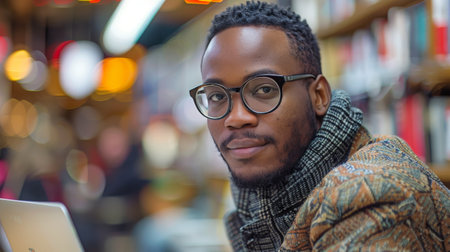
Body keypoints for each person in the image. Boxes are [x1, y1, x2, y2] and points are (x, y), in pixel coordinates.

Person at [188, 1, 450, 251]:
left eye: (264, 89)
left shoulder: (370, 196)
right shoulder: (261, 202)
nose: (236, 117)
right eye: (217, 96)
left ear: (319, 96)